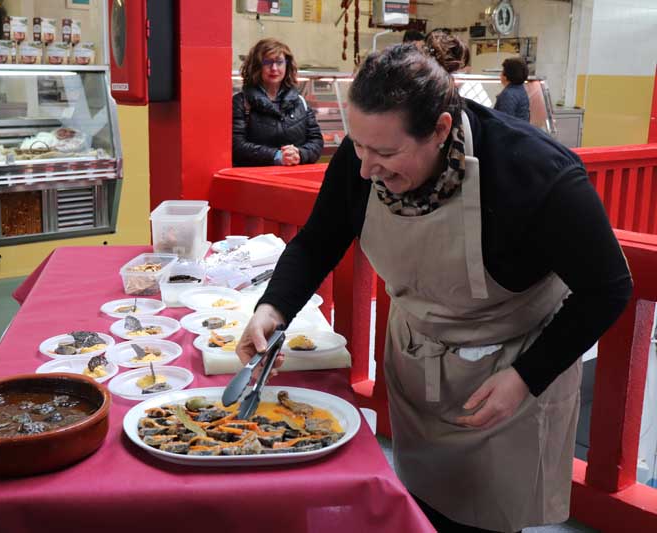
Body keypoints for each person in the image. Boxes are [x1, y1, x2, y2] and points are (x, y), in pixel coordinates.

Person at [236, 42, 632, 532]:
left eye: (385, 152)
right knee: (419, 509)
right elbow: (317, 242)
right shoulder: (364, 162)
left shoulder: (536, 173)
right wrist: (271, 310)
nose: (365, 168)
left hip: (506, 373)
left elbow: (608, 286)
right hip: (418, 360)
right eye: (358, 146)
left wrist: (526, 377)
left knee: (488, 520)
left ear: (442, 129)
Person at [232, 38, 323, 167]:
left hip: (295, 178)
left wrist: (300, 154)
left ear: (287, 65)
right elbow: (236, 146)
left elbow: (316, 141)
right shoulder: (241, 102)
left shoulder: (300, 101)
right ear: (257, 66)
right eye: (267, 62)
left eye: (279, 62)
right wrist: (277, 156)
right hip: (255, 181)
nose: (274, 68)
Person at [494, 56, 530, 121]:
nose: (500, 74)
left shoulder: (508, 94)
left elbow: (505, 122)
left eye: (502, 71)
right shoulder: (521, 89)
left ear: (506, 75)